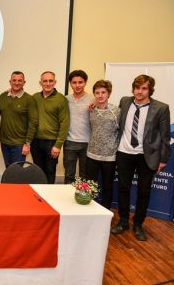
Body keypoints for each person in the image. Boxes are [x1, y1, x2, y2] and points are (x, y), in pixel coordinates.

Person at [111, 75, 170, 241]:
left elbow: (165, 136)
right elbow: (112, 115)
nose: (139, 91)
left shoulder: (161, 108)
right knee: (123, 188)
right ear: (133, 88)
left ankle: (138, 224)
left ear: (149, 90)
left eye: (144, 88)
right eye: (137, 87)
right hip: (124, 152)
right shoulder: (125, 101)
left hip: (147, 156)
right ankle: (123, 221)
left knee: (144, 191)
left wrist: (163, 159)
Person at [85, 80, 119, 210]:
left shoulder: (117, 111)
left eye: (103, 92)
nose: (100, 95)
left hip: (109, 156)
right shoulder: (91, 110)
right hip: (92, 154)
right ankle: (88, 209)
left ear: (108, 93)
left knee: (107, 185)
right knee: (89, 185)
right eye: (97, 92)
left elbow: (121, 131)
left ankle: (105, 211)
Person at [31, 71, 70, 184]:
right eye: (45, 81)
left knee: (50, 170)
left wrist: (58, 145)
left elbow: (64, 124)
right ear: (40, 83)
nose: (48, 84)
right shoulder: (35, 97)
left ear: (55, 82)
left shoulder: (61, 99)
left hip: (52, 143)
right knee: (37, 171)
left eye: (50, 81)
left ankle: (47, 198)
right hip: (36, 142)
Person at [0, 71, 38, 167]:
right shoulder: (3, 96)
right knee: (8, 170)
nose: (17, 83)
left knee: (17, 172)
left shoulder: (29, 99)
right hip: (4, 142)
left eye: (20, 80)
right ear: (10, 82)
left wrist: (27, 143)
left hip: (20, 144)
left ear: (24, 82)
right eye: (14, 80)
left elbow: (33, 123)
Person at [64, 70, 93, 184]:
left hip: (87, 143)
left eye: (80, 82)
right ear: (70, 83)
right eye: (74, 82)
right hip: (70, 142)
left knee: (85, 176)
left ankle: (82, 199)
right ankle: (67, 199)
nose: (77, 85)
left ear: (85, 83)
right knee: (69, 175)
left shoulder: (93, 99)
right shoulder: (66, 100)